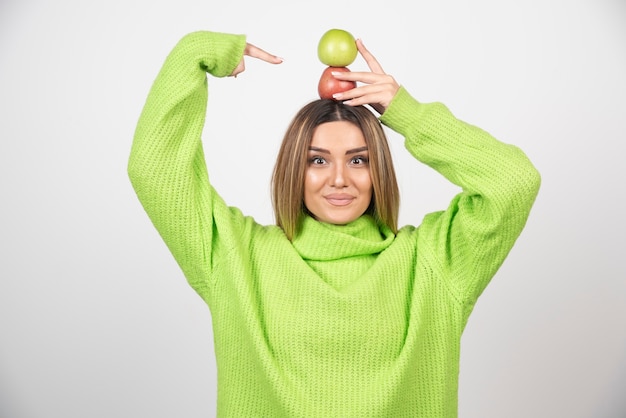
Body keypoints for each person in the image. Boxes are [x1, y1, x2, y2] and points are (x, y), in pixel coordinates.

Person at [128, 30, 541, 417]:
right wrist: (196, 52)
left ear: (378, 168)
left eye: (358, 160)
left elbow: (513, 182)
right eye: (318, 160)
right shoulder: (235, 255)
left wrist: (408, 114)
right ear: (295, 168)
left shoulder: (434, 262)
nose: (339, 178)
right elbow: (154, 167)